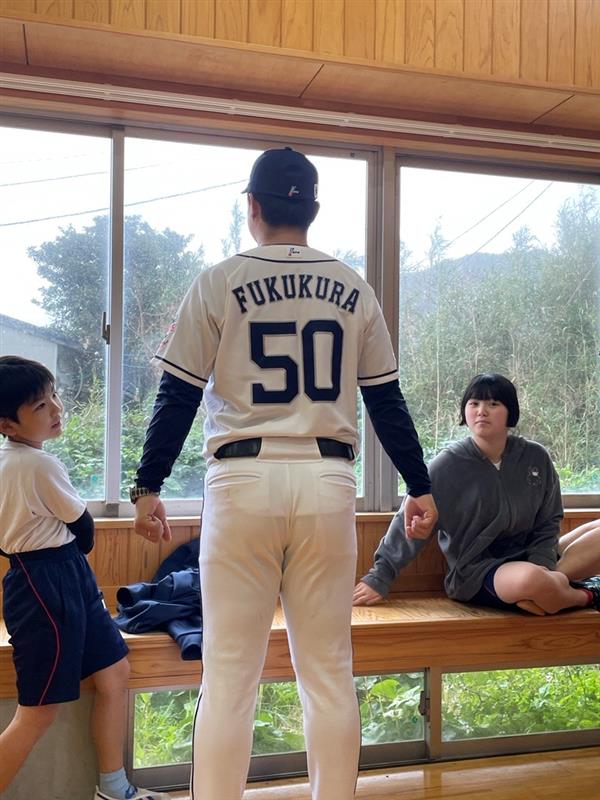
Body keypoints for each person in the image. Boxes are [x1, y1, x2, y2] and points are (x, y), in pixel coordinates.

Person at [130, 146, 438, 800]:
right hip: (327, 480)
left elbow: (177, 394)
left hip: (242, 481)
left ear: (253, 207)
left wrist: (148, 484)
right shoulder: (353, 285)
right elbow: (385, 399)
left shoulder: (218, 280)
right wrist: (419, 485)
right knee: (327, 674)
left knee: (228, 676)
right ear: (313, 210)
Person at [0, 356, 169, 800]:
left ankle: (113, 788)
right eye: (40, 405)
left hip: (56, 576)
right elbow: (84, 527)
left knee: (114, 672)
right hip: (46, 586)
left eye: (54, 395)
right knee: (37, 712)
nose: (56, 408)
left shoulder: (14, 461)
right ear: (7, 424)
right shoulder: (36, 465)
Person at [353, 372, 600, 616]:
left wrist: (542, 565)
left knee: (561, 558)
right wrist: (379, 577)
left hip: (533, 558)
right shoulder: (446, 465)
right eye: (474, 403)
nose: (482, 411)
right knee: (530, 579)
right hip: (479, 570)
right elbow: (407, 523)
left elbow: (549, 521)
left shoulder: (536, 457)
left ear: (510, 412)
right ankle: (586, 594)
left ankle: (547, 590)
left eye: (493, 404)